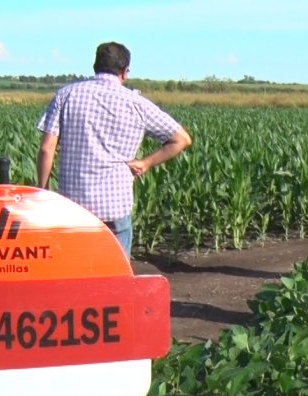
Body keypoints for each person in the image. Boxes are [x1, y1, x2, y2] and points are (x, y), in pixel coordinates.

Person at [37, 42, 192, 258]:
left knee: (76, 276)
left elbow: (47, 149)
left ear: (95, 66)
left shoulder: (66, 95)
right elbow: (181, 139)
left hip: (73, 208)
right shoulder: (137, 103)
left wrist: (43, 191)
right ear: (125, 72)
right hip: (115, 206)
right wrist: (146, 163)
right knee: (117, 280)